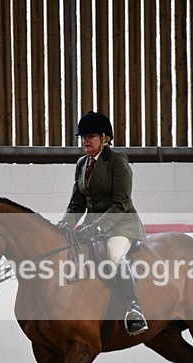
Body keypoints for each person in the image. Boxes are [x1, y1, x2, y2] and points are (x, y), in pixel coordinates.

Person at [57, 111, 149, 336]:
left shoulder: (117, 161)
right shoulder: (82, 163)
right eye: (83, 137)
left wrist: (97, 227)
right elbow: (77, 203)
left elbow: (121, 203)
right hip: (92, 226)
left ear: (105, 138)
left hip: (121, 225)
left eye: (91, 136)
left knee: (114, 255)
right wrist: (64, 225)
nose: (85, 141)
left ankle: (134, 309)